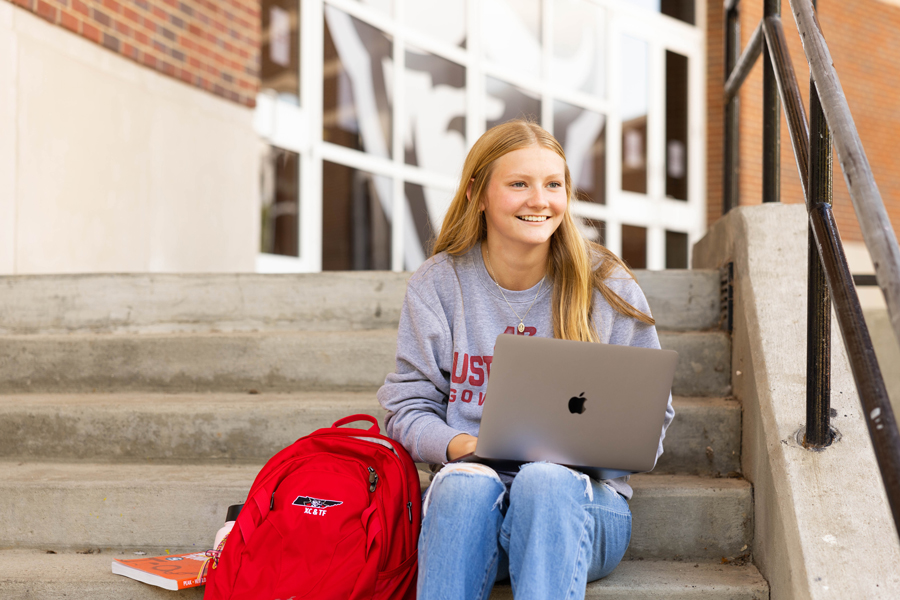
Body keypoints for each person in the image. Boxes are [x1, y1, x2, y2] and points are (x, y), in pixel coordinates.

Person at [377, 119, 674, 600]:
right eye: (519, 184)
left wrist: (572, 455)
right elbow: (405, 409)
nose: (540, 200)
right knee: (461, 487)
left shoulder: (607, 283)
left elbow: (650, 418)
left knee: (545, 482)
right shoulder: (439, 283)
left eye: (553, 184)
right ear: (478, 193)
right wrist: (463, 447)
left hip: (580, 505)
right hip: (474, 510)